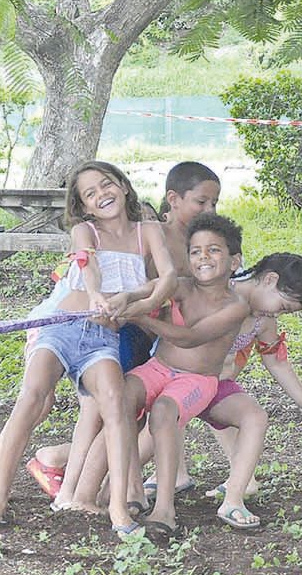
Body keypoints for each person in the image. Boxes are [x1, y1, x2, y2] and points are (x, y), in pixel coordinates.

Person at [0, 161, 175, 531]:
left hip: (102, 340)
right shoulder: (84, 230)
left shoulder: (149, 231)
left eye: (106, 185)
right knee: (32, 398)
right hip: (62, 326)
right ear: (84, 207)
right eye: (90, 194)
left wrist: (132, 302)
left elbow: (168, 279)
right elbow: (86, 263)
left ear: (123, 187)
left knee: (115, 405)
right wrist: (96, 295)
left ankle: (118, 510)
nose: (101, 195)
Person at [28, 160, 222, 498]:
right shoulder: (143, 232)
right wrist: (120, 304)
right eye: (202, 202)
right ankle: (74, 488)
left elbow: (171, 290)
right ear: (173, 200)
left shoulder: (193, 241)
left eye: (214, 203)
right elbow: (79, 278)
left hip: (141, 334)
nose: (210, 210)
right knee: (98, 410)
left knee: (126, 413)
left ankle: (114, 487)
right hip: (99, 329)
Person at [126, 233, 302, 537]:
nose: (277, 314)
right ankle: (64, 464)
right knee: (134, 451)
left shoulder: (263, 321)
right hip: (175, 380)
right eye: (282, 307)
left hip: (213, 388)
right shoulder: (218, 291)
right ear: (269, 280)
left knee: (255, 416)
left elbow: (277, 362)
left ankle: (234, 499)